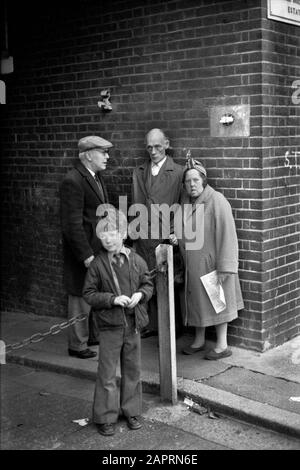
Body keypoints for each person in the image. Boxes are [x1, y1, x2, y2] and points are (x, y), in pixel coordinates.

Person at [82, 209, 154, 436]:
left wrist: (140, 296)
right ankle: (105, 416)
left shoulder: (137, 260)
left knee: (132, 370)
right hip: (109, 326)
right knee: (107, 373)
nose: (107, 239)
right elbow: (89, 294)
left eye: (112, 233)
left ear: (123, 234)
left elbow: (148, 284)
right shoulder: (97, 264)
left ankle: (131, 411)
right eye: (103, 235)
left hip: (132, 326)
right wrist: (112, 299)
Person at [169, 157, 244, 360]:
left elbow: (228, 235)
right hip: (192, 265)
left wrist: (225, 266)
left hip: (212, 264)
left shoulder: (217, 200)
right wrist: (178, 237)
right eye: (187, 181)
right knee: (196, 303)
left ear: (203, 180)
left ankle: (222, 345)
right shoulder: (186, 201)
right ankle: (199, 341)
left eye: (195, 180)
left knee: (218, 303)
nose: (191, 184)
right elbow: (186, 229)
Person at [60, 135, 112, 359]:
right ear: (89, 155)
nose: (107, 157)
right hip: (83, 253)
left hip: (97, 248)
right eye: (103, 152)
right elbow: (72, 224)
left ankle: (91, 336)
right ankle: (77, 345)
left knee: (93, 293)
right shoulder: (73, 180)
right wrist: (86, 255)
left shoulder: (96, 177)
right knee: (80, 296)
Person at [132, 128, 184, 338]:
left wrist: (176, 233)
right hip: (144, 236)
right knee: (147, 278)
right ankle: (153, 325)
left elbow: (184, 205)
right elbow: (135, 203)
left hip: (166, 237)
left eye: (157, 146)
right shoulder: (139, 171)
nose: (153, 151)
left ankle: (172, 327)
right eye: (149, 147)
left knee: (170, 282)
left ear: (167, 144)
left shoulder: (179, 172)